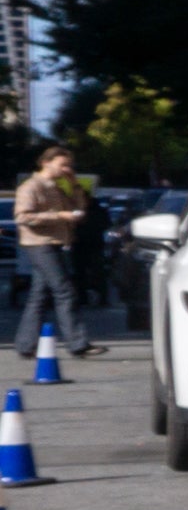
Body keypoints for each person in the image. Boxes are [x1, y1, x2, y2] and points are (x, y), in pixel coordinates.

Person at [14, 145, 100, 358]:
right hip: (39, 244)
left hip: (56, 243)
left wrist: (75, 185)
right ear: (46, 163)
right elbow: (22, 217)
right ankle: (77, 343)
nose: (66, 169)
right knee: (64, 291)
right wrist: (59, 216)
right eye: (62, 165)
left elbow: (79, 207)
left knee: (39, 295)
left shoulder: (57, 187)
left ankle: (26, 345)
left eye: (69, 165)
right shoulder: (31, 187)